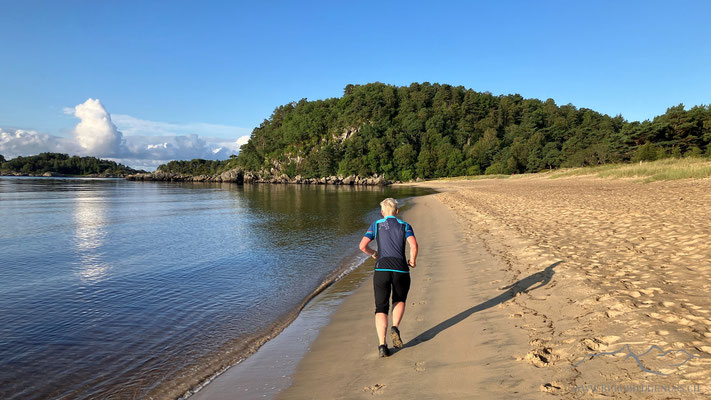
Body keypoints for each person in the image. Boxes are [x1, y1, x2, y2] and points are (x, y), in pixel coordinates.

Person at [359, 198, 418, 357]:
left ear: (382, 212)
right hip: (400, 269)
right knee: (399, 299)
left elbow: (362, 246)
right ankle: (395, 327)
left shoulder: (376, 225)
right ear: (397, 212)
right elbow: (413, 245)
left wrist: (373, 253)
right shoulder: (405, 225)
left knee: (381, 307)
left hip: (382, 269)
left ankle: (382, 345)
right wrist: (412, 260)